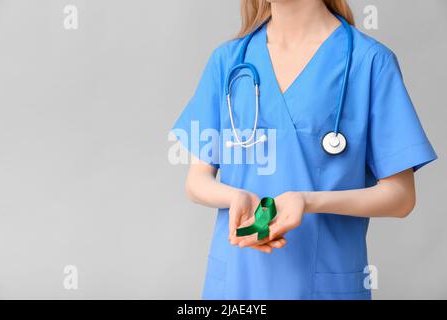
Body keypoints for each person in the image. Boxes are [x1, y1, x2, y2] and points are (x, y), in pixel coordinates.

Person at [171, 0, 437, 299]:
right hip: (237, 280)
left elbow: (401, 198)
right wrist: (236, 197)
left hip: (323, 283)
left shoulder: (369, 61)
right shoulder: (229, 61)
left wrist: (308, 201)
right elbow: (196, 182)